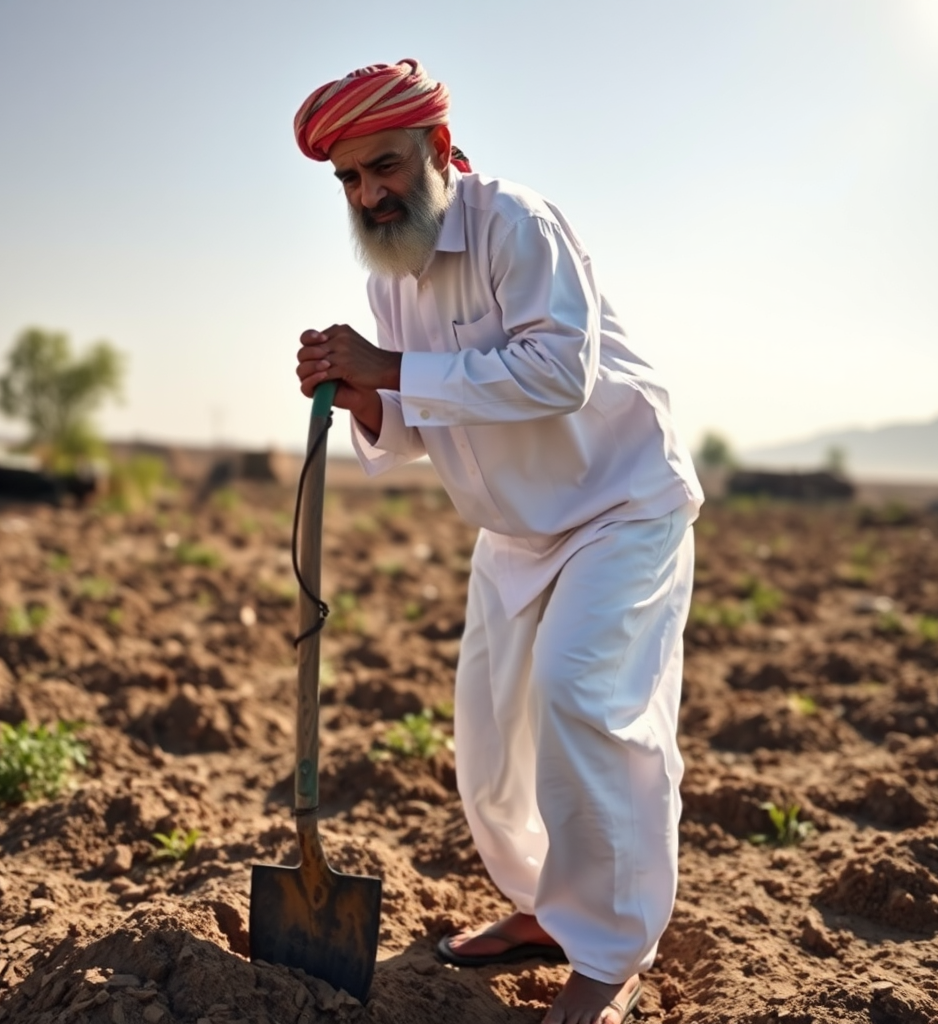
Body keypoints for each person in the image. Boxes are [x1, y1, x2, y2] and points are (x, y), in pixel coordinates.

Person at [292, 58, 703, 1024]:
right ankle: (547, 911)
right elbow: (423, 419)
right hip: (515, 531)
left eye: (384, 166)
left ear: (437, 149)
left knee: (584, 704)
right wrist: (367, 395)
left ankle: (610, 953)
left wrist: (391, 365)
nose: (371, 194)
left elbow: (557, 372)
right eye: (349, 179)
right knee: (488, 746)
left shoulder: (517, 223)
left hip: (618, 505)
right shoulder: (392, 272)